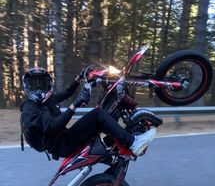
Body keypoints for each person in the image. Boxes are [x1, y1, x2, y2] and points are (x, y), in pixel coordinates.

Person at [20, 67, 156, 160]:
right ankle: (133, 143)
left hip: (62, 139)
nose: (38, 89)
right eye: (34, 85)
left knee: (104, 111)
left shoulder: (45, 101)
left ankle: (123, 138)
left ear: (48, 84)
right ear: (27, 87)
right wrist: (76, 103)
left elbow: (67, 92)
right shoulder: (30, 110)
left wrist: (79, 77)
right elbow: (54, 125)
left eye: (41, 84)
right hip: (63, 145)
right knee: (97, 114)